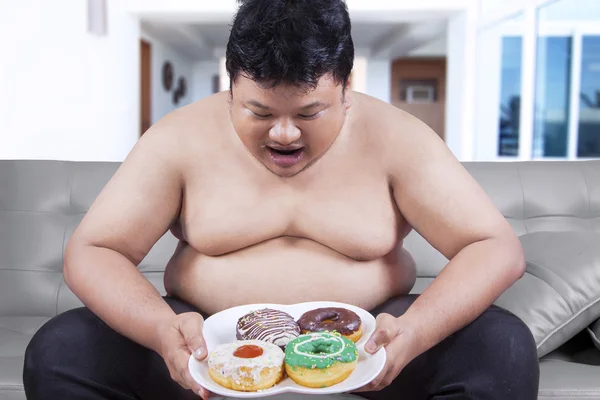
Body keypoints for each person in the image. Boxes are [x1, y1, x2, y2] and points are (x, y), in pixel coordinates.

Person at [22, 0, 539, 399]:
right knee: (61, 350)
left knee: (504, 348)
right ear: (231, 88)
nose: (285, 134)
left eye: (309, 114)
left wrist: (416, 331)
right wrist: (161, 330)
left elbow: (494, 246)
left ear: (345, 88)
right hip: (204, 346)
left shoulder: (399, 138)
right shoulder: (178, 138)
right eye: (260, 112)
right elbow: (93, 250)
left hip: (369, 347)